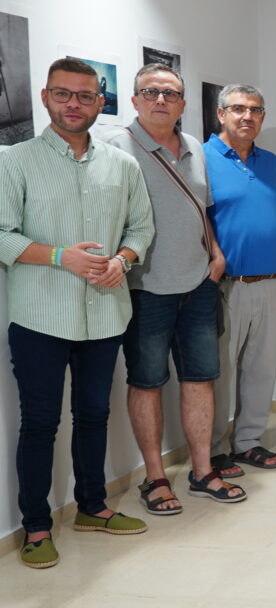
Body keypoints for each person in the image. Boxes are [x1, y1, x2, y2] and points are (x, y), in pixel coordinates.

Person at [0, 58, 155, 569]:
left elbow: (140, 231)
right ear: (46, 97)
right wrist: (60, 255)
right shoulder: (13, 161)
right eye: (64, 94)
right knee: (40, 422)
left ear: (99, 102)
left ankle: (92, 506)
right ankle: (37, 526)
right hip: (40, 316)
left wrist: (122, 260)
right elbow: (1, 234)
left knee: (94, 416)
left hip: (106, 315)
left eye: (85, 96)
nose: (74, 104)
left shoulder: (122, 165)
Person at [104, 64, 245, 512]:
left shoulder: (192, 148)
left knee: (201, 379)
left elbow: (200, 206)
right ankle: (155, 477)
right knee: (146, 382)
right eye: (151, 92)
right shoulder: (114, 148)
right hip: (145, 287)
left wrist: (216, 254)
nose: (161, 100)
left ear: (183, 104)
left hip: (199, 283)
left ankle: (203, 470)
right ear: (135, 100)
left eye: (170, 94)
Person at [205, 83, 276, 474]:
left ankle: (249, 441)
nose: (247, 117)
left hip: (271, 282)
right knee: (219, 370)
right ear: (221, 114)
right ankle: (215, 448)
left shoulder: (270, 162)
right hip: (227, 285)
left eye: (255, 110)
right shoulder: (201, 158)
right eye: (238, 109)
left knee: (261, 368)